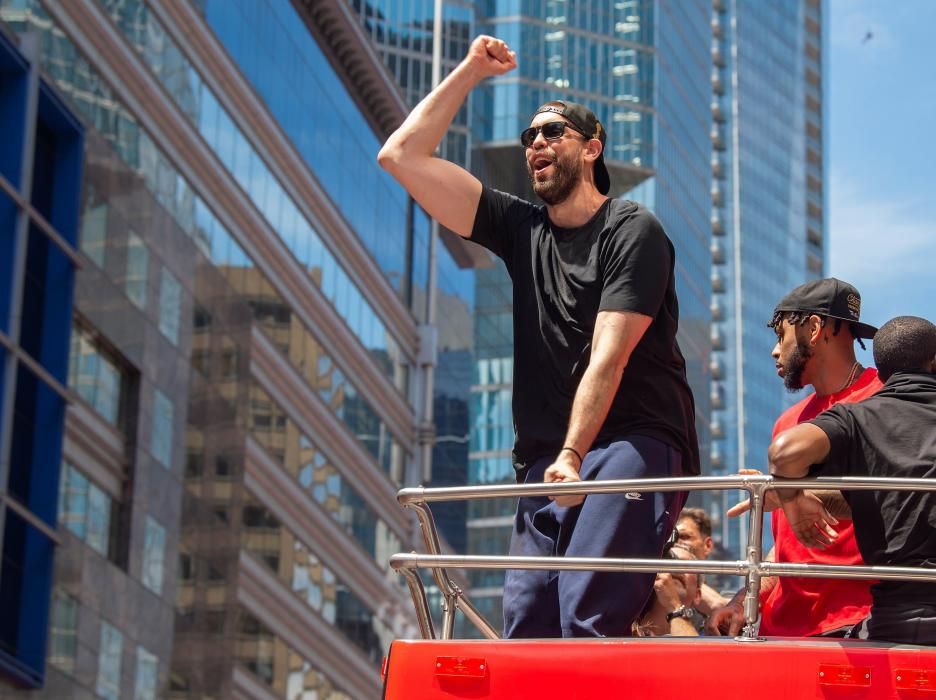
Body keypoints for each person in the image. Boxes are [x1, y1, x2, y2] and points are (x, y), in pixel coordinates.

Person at [379, 35, 699, 638]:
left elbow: (610, 353)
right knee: (526, 626)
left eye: (553, 133)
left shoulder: (632, 230)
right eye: (529, 137)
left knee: (586, 612)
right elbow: (401, 157)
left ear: (592, 148)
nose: (537, 145)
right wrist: (470, 71)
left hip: (632, 442)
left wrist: (575, 455)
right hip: (548, 461)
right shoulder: (520, 228)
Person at [708, 278, 881, 637]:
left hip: (857, 626)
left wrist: (796, 495)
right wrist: (742, 600)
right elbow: (788, 544)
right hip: (780, 631)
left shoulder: (885, 402)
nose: (775, 351)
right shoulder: (789, 423)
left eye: (781, 335)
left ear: (814, 328)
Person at [769, 315, 936, 645]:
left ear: (883, 373)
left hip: (894, 618)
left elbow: (784, 452)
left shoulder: (857, 416)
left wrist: (791, 499)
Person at [634, 543, 701, 637]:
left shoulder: (708, 638)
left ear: (697, 595)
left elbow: (691, 651)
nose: (676, 568)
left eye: (685, 564)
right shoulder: (622, 629)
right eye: (668, 561)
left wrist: (674, 606)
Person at [675, 508, 728, 620]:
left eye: (684, 537)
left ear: (707, 545)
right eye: (670, 538)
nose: (675, 544)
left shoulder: (727, 597)